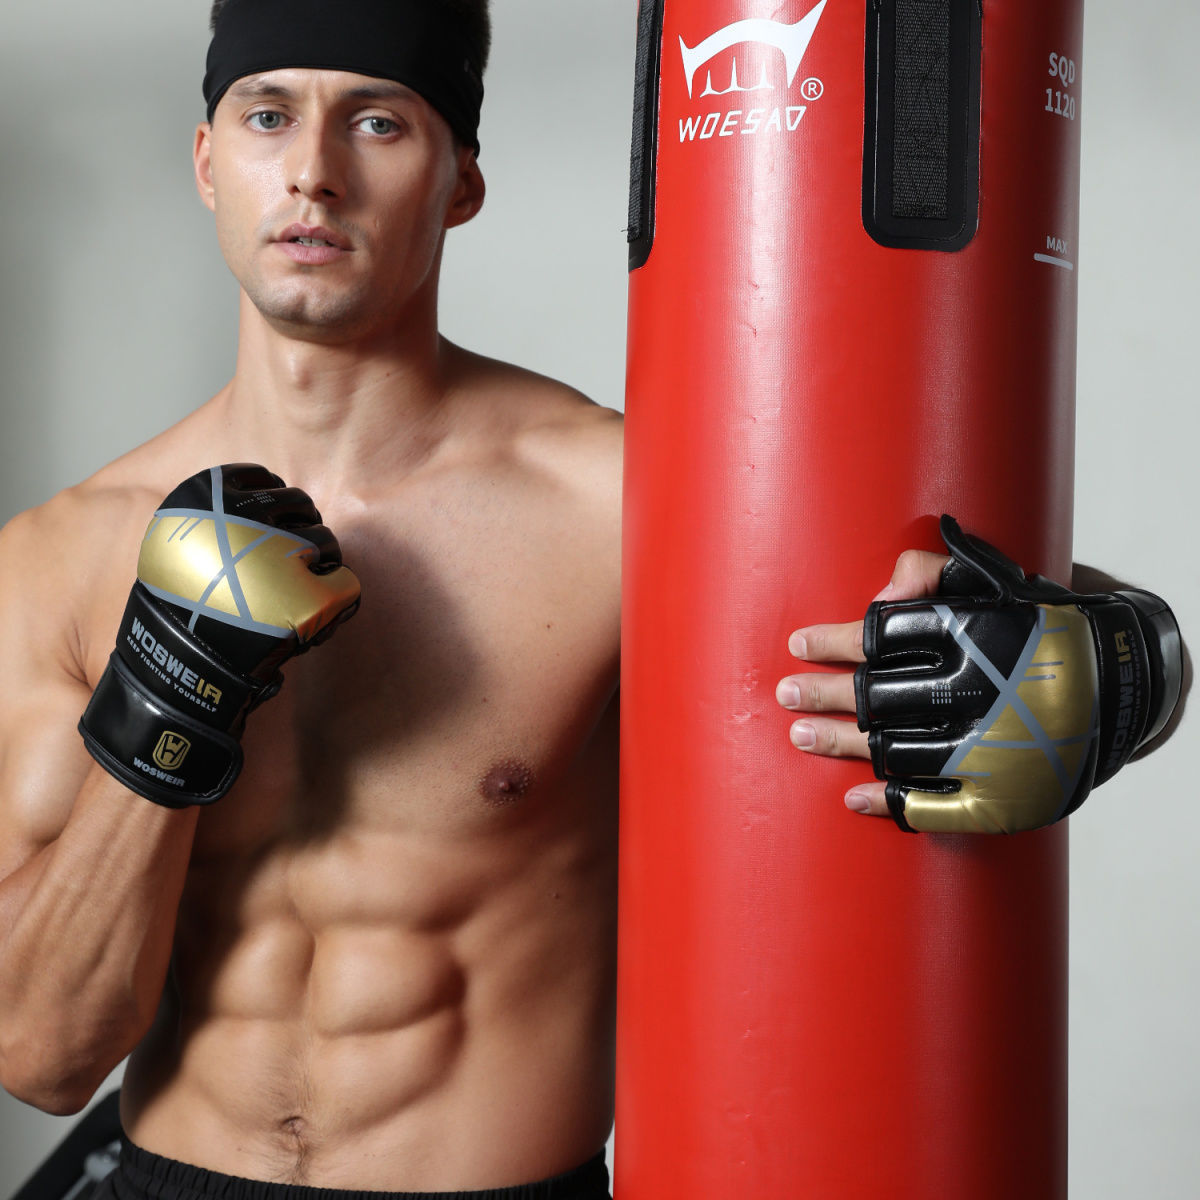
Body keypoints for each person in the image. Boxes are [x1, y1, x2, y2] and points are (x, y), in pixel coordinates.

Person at [0, 2, 1183, 1198]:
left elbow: (964, 596)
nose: (313, 171)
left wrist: (1134, 659)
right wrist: (162, 701)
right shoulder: (56, 560)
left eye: (377, 121)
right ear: (209, 162)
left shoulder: (620, 502)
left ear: (461, 182)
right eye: (267, 118)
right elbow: (42, 1056)